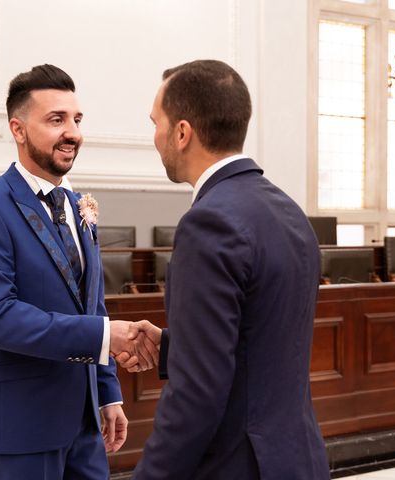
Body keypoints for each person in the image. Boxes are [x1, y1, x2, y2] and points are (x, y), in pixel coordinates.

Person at [118, 60, 330, 479]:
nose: (154, 136)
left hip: (239, 464)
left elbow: (197, 394)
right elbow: (263, 338)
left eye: (155, 122)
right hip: (296, 456)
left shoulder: (208, 223)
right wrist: (177, 347)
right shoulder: (287, 209)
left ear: (182, 133)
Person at [0, 64, 159, 480]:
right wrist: (104, 337)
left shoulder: (79, 205)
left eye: (77, 120)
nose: (73, 132)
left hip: (84, 422)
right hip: (21, 423)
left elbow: (91, 305)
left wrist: (106, 394)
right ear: (18, 129)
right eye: (56, 119)